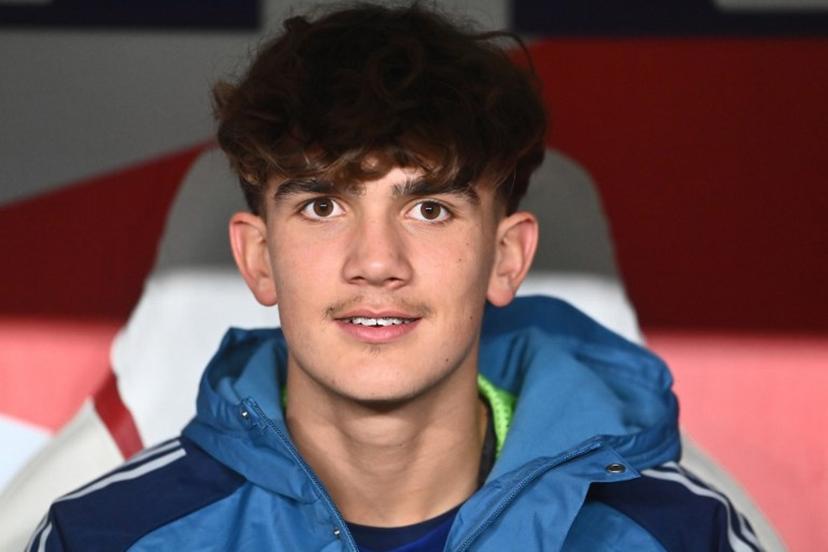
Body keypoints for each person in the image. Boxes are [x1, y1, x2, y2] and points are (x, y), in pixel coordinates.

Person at [28, 4, 762, 551]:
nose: (376, 261)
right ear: (257, 258)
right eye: (322, 205)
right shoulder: (104, 536)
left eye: (431, 209)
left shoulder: (681, 535)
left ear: (506, 258)